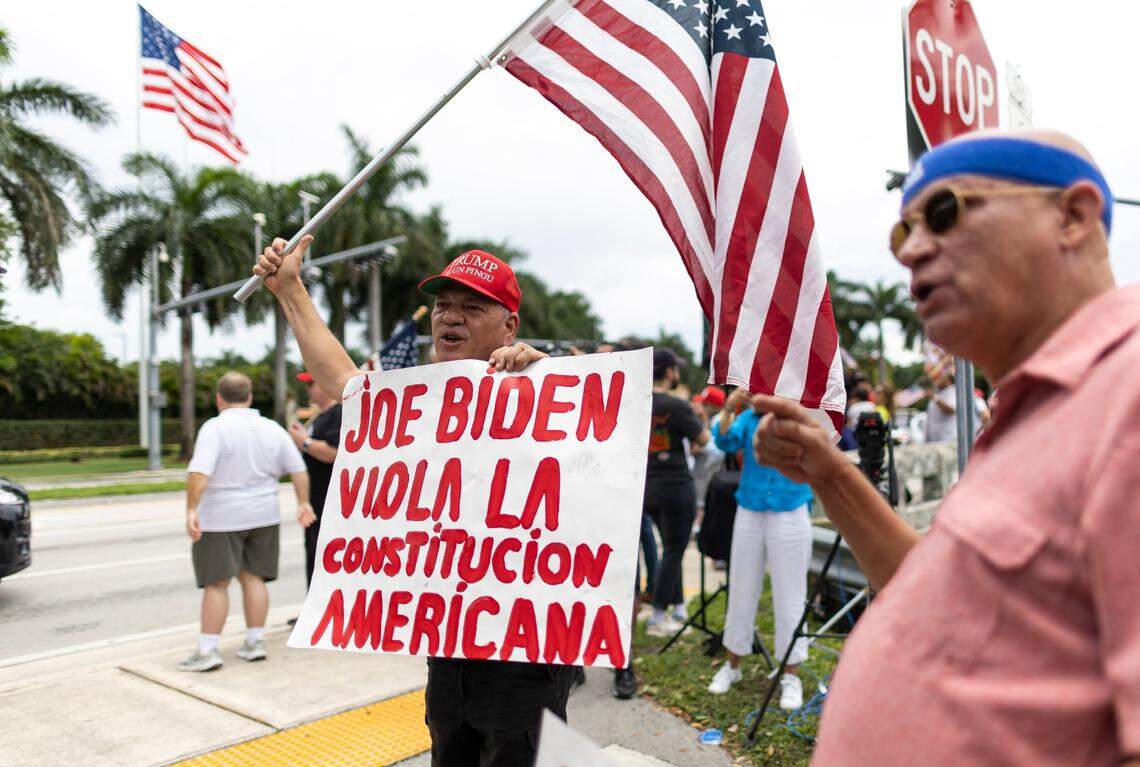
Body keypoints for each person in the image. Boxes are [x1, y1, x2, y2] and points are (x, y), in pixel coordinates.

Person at [751, 130, 1140, 766]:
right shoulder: (1033, 411)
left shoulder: (1125, 391)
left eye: (944, 212)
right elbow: (940, 599)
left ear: (1071, 216)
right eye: (902, 234)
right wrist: (829, 474)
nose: (913, 254)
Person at [254, 240, 569, 767]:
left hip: (523, 650)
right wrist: (289, 290)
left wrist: (548, 371)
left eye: (473, 307)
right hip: (448, 644)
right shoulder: (415, 404)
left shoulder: (541, 390)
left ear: (509, 327)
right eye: (445, 305)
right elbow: (340, 378)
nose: (452, 317)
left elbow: (594, 431)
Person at [179, 372, 315, 672]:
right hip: (263, 514)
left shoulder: (214, 428)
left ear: (219, 398)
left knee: (216, 584)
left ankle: (208, 650)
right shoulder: (271, 428)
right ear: (250, 396)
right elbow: (297, 468)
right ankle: (255, 642)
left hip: (220, 518)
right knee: (254, 578)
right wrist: (302, 502)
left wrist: (191, 510)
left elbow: (199, 473)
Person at [706, 387, 814, 710]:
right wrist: (729, 407)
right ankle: (732, 665)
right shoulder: (749, 418)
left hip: (791, 507)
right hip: (751, 509)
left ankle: (790, 675)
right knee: (741, 588)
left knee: (790, 593)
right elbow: (724, 440)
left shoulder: (799, 414)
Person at [643, 348, 710, 640]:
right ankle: (658, 615)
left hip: (647, 488)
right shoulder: (677, 405)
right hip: (676, 485)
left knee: (671, 549)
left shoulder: (637, 400)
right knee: (673, 550)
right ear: (669, 372)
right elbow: (703, 440)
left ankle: (679, 607)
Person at [288, 372, 341, 589]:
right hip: (314, 499)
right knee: (312, 553)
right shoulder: (319, 415)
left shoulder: (337, 413)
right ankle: (312, 606)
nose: (308, 389)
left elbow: (334, 452)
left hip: (328, 499)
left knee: (323, 554)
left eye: (312, 384)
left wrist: (305, 442)